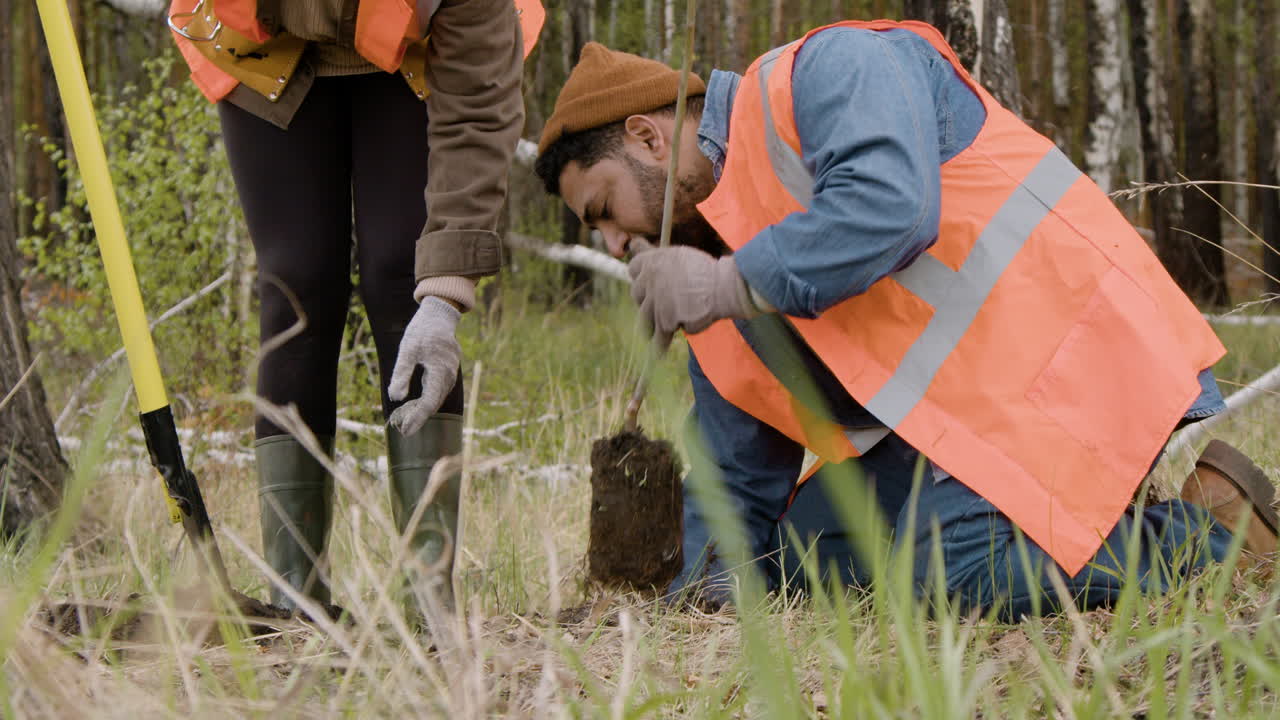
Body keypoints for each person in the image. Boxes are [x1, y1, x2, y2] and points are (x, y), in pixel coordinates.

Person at [533, 21, 1279, 618]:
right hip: (961, 432)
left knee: (947, 569)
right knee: (794, 557)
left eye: (605, 210)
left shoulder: (828, 71)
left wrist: (731, 284)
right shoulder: (713, 274)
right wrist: (690, 594)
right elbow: (738, 477)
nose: (615, 244)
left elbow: (889, 209)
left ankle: (1213, 538)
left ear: (647, 137)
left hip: (1079, 366)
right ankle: (1076, 528)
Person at [167, 0, 542, 614]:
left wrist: (445, 295)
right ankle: (295, 605)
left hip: (418, 53)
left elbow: (478, 108)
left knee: (402, 271)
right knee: (297, 286)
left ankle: (428, 604)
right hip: (262, 50)